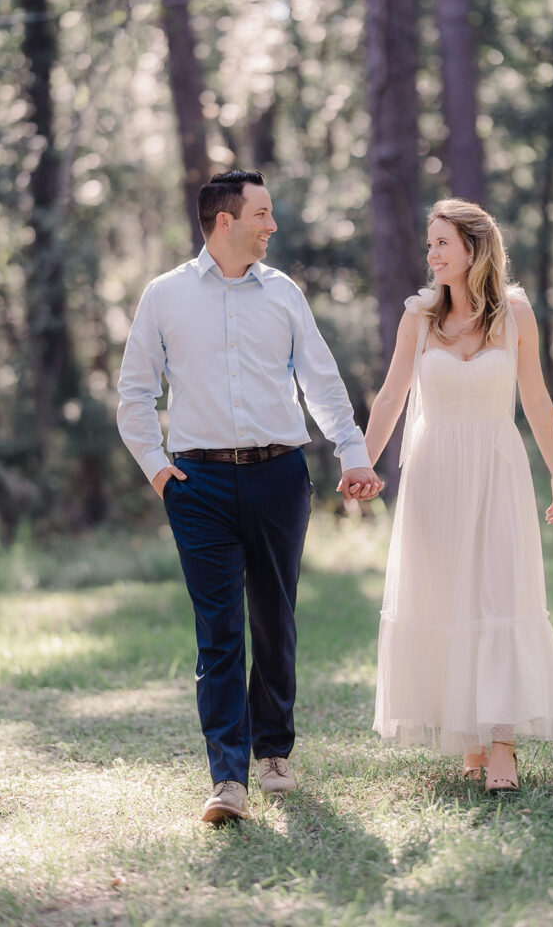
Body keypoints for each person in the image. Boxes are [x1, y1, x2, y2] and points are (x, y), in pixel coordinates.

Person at [117, 170, 382, 822]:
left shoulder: (283, 293)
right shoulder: (166, 296)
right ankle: (227, 779)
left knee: (274, 617)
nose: (271, 225)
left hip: (279, 476)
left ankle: (273, 752)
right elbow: (133, 393)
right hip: (197, 483)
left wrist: (352, 452)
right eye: (260, 213)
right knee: (217, 634)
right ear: (224, 221)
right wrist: (156, 468)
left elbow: (320, 382)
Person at [365, 198, 553, 791]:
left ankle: (501, 745)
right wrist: (360, 462)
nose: (430, 256)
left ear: (474, 249)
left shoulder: (514, 315)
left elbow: (535, 399)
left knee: (500, 593)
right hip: (433, 475)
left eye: (441, 244)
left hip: (496, 469)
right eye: (429, 245)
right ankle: (470, 740)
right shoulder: (419, 318)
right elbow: (390, 398)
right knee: (449, 599)